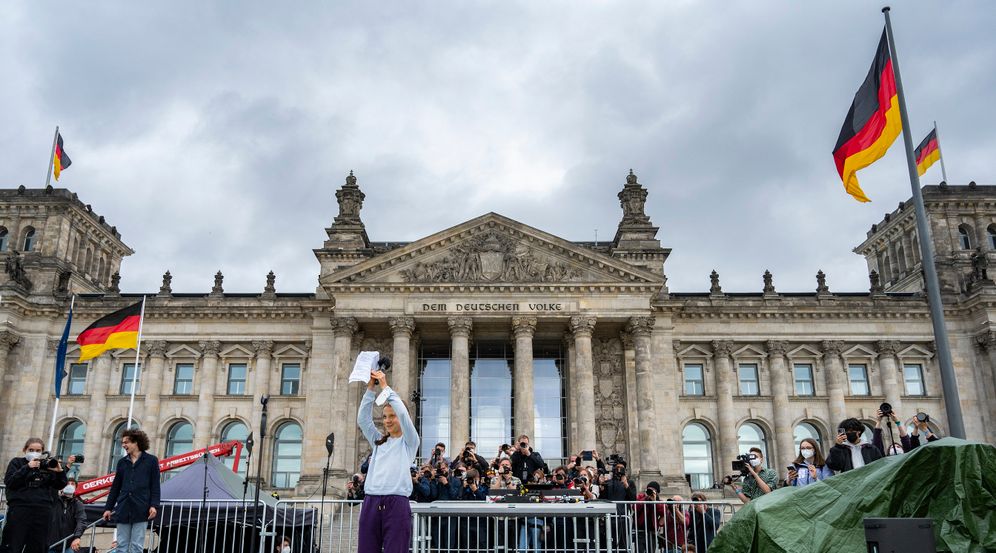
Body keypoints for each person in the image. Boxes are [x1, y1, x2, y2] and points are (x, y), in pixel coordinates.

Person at [356, 365, 420, 553]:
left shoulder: (410, 441)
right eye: (385, 417)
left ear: (402, 418)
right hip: (371, 502)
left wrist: (386, 387)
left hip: (397, 503)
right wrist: (370, 389)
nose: (388, 420)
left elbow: (402, 412)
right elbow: (363, 420)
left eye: (392, 416)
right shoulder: (378, 442)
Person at [1, 438, 68, 553]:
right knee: (13, 545)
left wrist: (59, 471)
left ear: (42, 452)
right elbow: (10, 482)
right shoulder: (17, 463)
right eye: (31, 449)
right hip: (20, 510)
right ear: (25, 450)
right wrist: (27, 467)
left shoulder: (46, 466)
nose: (34, 452)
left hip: (43, 511)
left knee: (38, 546)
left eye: (38, 450)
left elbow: (60, 484)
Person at [102, 429, 160, 553]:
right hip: (123, 509)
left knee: (136, 547)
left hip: (141, 509)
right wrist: (108, 508)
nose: (123, 445)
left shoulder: (151, 461)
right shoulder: (122, 463)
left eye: (126, 442)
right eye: (122, 442)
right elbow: (116, 487)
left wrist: (154, 505)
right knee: (121, 546)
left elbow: (155, 486)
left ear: (136, 442)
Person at [48, 477, 88, 553]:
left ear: (76, 488)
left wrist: (77, 537)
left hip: (68, 545)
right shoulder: (54, 500)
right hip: (51, 544)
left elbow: (81, 521)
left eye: (72, 484)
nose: (69, 485)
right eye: (67, 484)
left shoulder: (78, 504)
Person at [633, 481, 665, 553]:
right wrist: (646, 499)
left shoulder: (659, 501)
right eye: (649, 490)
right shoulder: (641, 497)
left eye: (652, 491)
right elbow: (634, 507)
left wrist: (654, 501)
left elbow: (663, 512)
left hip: (652, 532)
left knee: (651, 550)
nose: (650, 492)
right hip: (640, 531)